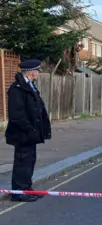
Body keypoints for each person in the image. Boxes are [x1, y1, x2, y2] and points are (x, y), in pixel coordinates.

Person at [5, 59, 51, 202]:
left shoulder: (30, 86)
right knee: (22, 162)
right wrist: (30, 130)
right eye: (37, 71)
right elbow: (16, 115)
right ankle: (18, 192)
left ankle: (27, 188)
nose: (38, 73)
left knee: (29, 161)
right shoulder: (17, 88)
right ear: (32, 72)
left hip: (30, 134)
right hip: (22, 134)